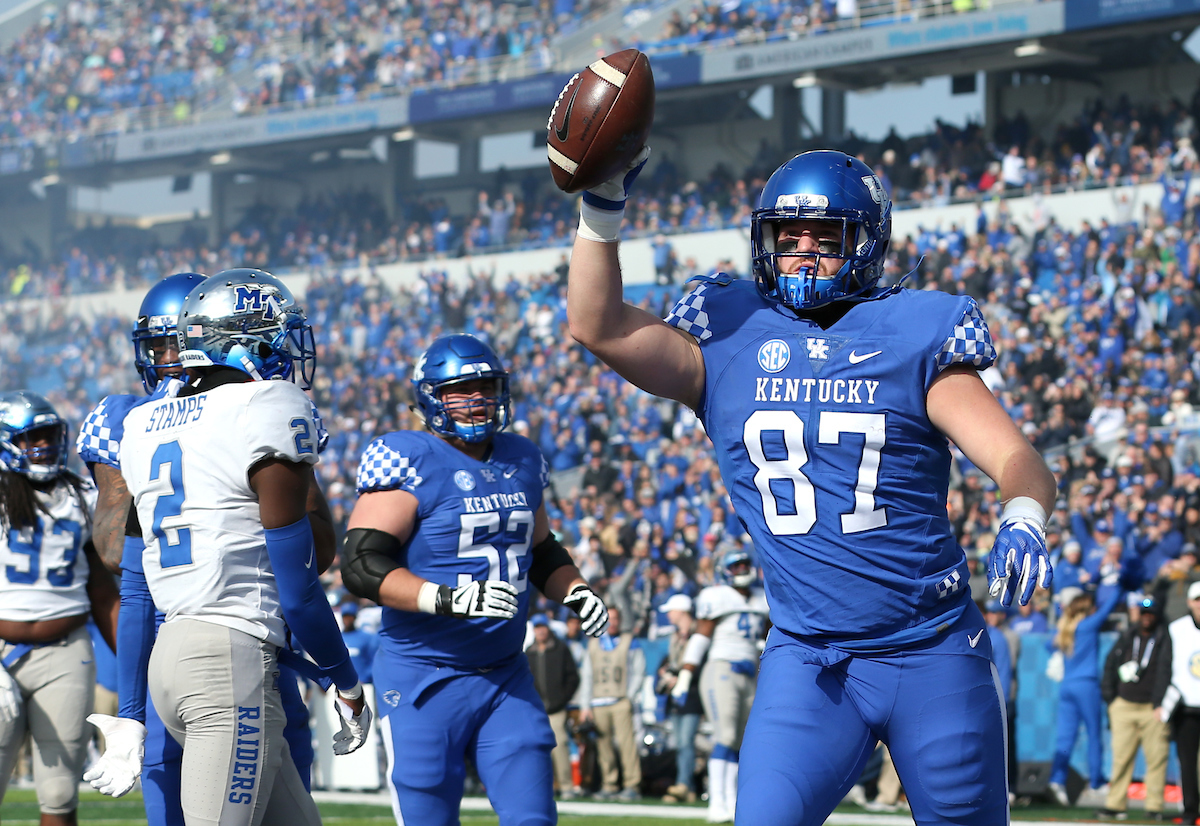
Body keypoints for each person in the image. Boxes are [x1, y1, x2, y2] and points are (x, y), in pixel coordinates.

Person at [565, 147, 1056, 824]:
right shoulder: (729, 329)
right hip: (810, 660)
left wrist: (1024, 512)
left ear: (866, 241)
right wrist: (601, 207)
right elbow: (596, 325)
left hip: (933, 650)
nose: (802, 252)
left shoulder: (915, 330)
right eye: (786, 235)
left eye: (826, 237)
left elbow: (1014, 456)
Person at [88, 269, 372, 825]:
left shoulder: (144, 424)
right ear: (243, 342)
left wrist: (130, 709)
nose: (286, 352)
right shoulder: (265, 406)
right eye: (274, 337)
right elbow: (300, 587)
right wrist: (345, 681)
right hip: (228, 663)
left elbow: (136, 581)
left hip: (173, 656)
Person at [340, 333, 610, 826]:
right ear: (430, 397)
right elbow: (360, 564)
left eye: (486, 387)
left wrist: (576, 590)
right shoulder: (409, 458)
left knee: (534, 818)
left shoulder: (522, 458)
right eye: (459, 390)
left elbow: (543, 551)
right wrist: (447, 598)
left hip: (504, 675)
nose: (477, 400)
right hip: (426, 676)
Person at [0, 391, 119, 825]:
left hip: (65, 650)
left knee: (60, 790)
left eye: (50, 435)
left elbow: (103, 592)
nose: (44, 446)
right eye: (31, 438)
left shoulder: (81, 494)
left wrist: (137, 664)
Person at [671, 550, 768, 822]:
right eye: (736, 565)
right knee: (724, 736)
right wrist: (686, 675)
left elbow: (767, 634)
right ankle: (717, 802)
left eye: (745, 564)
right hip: (721, 669)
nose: (742, 569)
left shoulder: (762, 598)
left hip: (750, 673)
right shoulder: (717, 597)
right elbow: (701, 638)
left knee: (740, 742)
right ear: (726, 571)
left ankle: (734, 802)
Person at [1046, 585, 1124, 806]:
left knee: (1064, 737)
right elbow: (1108, 607)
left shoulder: (1063, 629)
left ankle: (1057, 780)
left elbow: (1047, 645)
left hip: (1067, 686)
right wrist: (1120, 586)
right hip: (1086, 685)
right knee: (1094, 735)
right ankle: (1097, 783)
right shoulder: (1088, 625)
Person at [1098, 594, 1170, 820]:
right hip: (1125, 706)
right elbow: (1110, 665)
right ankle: (1115, 804)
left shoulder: (1165, 638)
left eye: (1150, 612)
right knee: (1121, 758)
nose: (1146, 617)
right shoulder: (1128, 636)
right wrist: (1112, 701)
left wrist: (1162, 703)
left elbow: (1169, 671)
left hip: (1153, 708)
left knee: (1156, 759)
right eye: (1143, 612)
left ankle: (1154, 807)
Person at [579, 604, 645, 801]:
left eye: (616, 618)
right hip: (599, 701)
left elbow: (639, 671)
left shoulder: (629, 642)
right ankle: (609, 783)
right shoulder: (592, 644)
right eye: (609, 618)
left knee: (627, 745)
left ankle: (632, 784)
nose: (613, 622)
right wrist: (585, 705)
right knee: (603, 746)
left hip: (620, 699)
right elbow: (587, 676)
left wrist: (629, 697)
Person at [525, 613, 581, 799]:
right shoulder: (529, 653)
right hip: (536, 710)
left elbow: (573, 677)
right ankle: (543, 787)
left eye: (543, 627)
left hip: (557, 708)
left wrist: (561, 700)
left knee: (560, 746)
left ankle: (566, 786)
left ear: (548, 628)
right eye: (537, 627)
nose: (540, 630)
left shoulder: (560, 649)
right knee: (537, 750)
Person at [655, 593, 702, 804]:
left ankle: (683, 783)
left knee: (686, 742)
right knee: (681, 743)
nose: (669, 616)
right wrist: (665, 672)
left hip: (692, 696)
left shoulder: (697, 635)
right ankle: (688, 787)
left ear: (681, 611)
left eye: (671, 611)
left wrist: (679, 677)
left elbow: (699, 666)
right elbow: (669, 662)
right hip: (676, 698)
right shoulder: (676, 637)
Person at [1164, 581, 1200, 824]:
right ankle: (1190, 811)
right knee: (1187, 764)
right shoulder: (1177, 628)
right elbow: (1165, 666)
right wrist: (1161, 702)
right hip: (1186, 707)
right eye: (1197, 599)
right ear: (1189, 602)